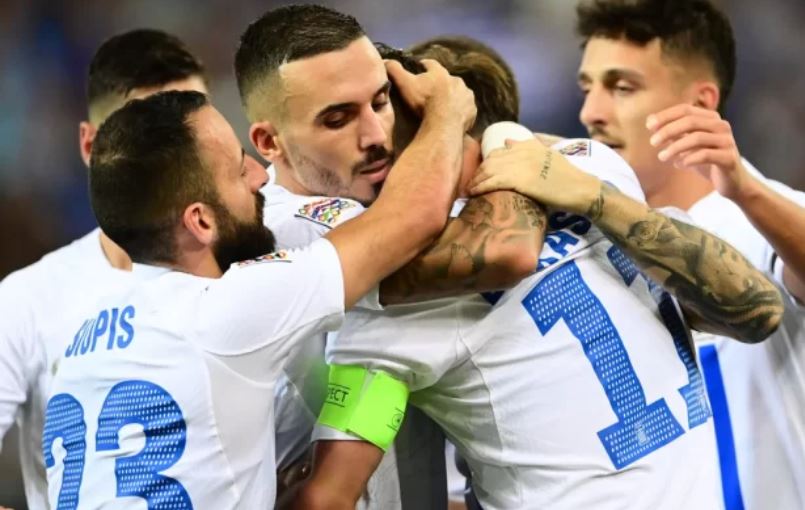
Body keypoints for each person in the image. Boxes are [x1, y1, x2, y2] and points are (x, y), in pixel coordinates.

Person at [295, 41, 784, 510]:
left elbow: (758, 312)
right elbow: (331, 495)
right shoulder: (401, 296)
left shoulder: (584, 167)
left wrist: (595, 197)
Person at [44, 40, 476, 507]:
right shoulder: (228, 307)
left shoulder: (78, 343)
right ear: (200, 221)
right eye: (237, 169)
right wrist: (447, 114)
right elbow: (412, 218)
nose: (259, 176)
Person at [235, 7, 544, 508]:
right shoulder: (286, 228)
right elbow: (502, 250)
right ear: (270, 142)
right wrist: (458, 121)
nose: (376, 136)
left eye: (380, 102)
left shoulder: (375, 199)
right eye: (337, 119)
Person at [575, 0, 805, 507]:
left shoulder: (763, 219)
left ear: (700, 105)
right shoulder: (585, 250)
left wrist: (746, 191)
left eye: (622, 87)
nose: (591, 113)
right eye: (587, 87)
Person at [0, 29, 208, 509]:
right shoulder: (27, 300)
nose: (177, 162)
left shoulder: (259, 274)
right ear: (91, 146)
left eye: (192, 134)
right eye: (147, 139)